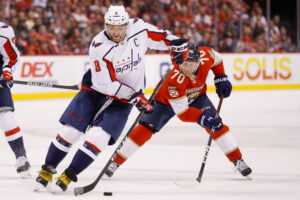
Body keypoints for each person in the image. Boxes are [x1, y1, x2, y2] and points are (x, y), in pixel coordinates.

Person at [34, 5, 188, 192]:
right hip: (96, 92)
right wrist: (135, 97)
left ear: (126, 24)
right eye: (111, 27)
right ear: (106, 25)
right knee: (71, 132)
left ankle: (69, 174)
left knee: (99, 137)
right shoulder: (98, 46)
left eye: (120, 27)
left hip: (124, 101)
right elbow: (106, 84)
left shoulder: (138, 28)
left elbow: (162, 38)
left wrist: (177, 45)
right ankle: (47, 170)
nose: (116, 32)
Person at [104, 43, 252, 179]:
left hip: (197, 97)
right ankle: (116, 161)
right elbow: (184, 114)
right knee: (145, 129)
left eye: (191, 64)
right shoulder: (174, 79)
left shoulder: (206, 55)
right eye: (184, 64)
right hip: (165, 102)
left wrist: (221, 76)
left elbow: (217, 58)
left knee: (217, 126)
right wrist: (204, 118)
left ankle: (238, 161)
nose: (187, 69)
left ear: (199, 61)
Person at [0, 22, 31, 178]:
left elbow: (12, 57)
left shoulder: (3, 32)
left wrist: (7, 71)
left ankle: (21, 156)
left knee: (6, 117)